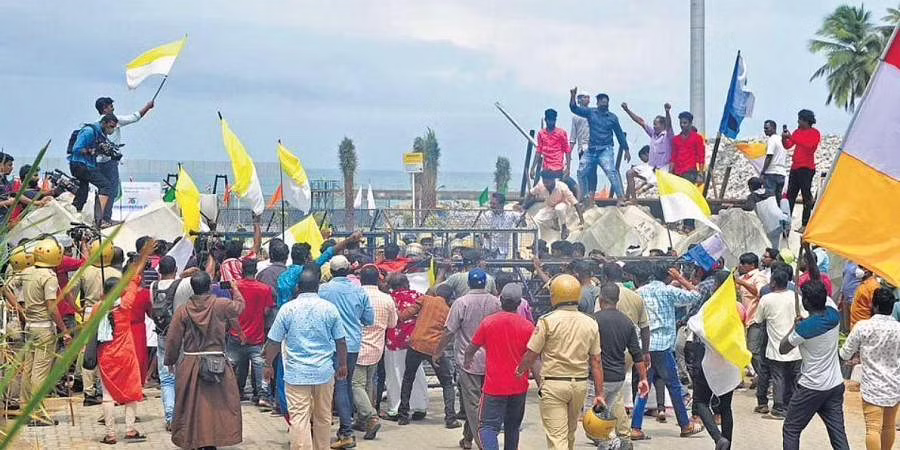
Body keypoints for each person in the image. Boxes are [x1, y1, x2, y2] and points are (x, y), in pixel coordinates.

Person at [515, 274, 604, 450]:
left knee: (557, 438)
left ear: (554, 295)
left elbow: (532, 353)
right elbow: (596, 361)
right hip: (579, 385)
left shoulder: (547, 321)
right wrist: (600, 393)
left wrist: (520, 370)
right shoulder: (590, 323)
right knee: (569, 433)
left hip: (554, 385)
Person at [264, 266, 347, 450]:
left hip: (296, 373)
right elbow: (341, 341)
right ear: (317, 287)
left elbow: (273, 342)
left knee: (299, 418)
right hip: (324, 372)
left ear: (298, 288)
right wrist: (342, 364)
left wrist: (269, 365)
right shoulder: (329, 309)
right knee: (323, 417)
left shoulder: (287, 309)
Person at [164, 271, 244, 449]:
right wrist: (235, 289)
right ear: (210, 286)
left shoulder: (183, 310)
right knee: (218, 405)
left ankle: (195, 438)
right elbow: (239, 307)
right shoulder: (221, 305)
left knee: (191, 405)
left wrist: (170, 361)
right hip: (218, 364)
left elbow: (173, 339)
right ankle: (213, 437)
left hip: (191, 364)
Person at [630, 263, 703, 440]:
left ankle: (635, 427)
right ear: (669, 275)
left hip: (645, 346)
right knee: (674, 386)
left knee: (643, 387)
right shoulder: (668, 291)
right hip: (663, 346)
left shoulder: (640, 292)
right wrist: (680, 278)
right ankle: (685, 425)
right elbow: (696, 296)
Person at [434, 269, 501, 450]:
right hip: (491, 360)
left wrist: (438, 351)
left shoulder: (461, 302)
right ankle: (467, 438)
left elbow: (449, 331)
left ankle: (483, 443)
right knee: (484, 402)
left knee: (472, 404)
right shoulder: (496, 302)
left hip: (467, 360)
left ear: (469, 283)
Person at [778, 279, 849, 450]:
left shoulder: (803, 329)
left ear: (805, 302)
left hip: (811, 387)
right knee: (838, 433)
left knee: (791, 429)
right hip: (834, 384)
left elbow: (782, 348)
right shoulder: (834, 314)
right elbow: (816, 275)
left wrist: (794, 327)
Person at [463, 283, 534, 450]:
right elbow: (533, 358)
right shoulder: (528, 327)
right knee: (512, 427)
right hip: (519, 386)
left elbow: (471, 348)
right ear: (519, 303)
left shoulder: (489, 323)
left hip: (494, 387)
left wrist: (467, 361)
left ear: (500, 300)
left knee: (487, 426)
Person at [10, 238, 71, 426]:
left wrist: (19, 308)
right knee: (40, 372)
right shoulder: (49, 277)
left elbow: (6, 286)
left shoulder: (27, 272)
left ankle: (25, 408)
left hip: (29, 328)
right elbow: (52, 307)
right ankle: (38, 413)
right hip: (44, 328)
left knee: (28, 370)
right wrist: (64, 330)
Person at [318, 255, 375, 448]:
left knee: (340, 387)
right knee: (347, 385)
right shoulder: (359, 291)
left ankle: (347, 432)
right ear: (349, 269)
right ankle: (348, 425)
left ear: (331, 271)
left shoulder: (323, 290)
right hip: (352, 344)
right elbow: (369, 319)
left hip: (331, 345)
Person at [840, 288, 900, 449]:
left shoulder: (863, 326)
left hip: (872, 386)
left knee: (873, 427)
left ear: (874, 305)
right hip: (894, 385)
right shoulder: (899, 329)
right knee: (888, 426)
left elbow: (845, 353)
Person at [593, 283, 650, 448]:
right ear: (617, 300)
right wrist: (643, 378)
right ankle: (619, 439)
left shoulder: (594, 320)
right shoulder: (627, 322)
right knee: (610, 408)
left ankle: (614, 441)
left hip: (598, 377)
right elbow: (636, 353)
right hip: (618, 376)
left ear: (601, 299)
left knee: (595, 419)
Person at [66, 239, 122, 406]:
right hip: (111, 312)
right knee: (108, 350)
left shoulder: (84, 271)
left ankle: (89, 391)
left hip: (90, 311)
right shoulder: (117, 273)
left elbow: (68, 292)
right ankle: (106, 386)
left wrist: (77, 308)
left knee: (87, 353)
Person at [683, 270, 734, 450]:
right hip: (729, 360)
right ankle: (726, 444)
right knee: (726, 405)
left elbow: (694, 325)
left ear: (716, 286)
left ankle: (718, 438)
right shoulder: (736, 306)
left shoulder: (710, 306)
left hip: (707, 357)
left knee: (701, 401)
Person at [398, 283, 460, 429]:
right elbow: (449, 332)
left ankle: (403, 415)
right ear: (449, 297)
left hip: (416, 344)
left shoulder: (425, 299)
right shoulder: (449, 310)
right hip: (434, 349)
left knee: (408, 378)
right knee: (446, 382)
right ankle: (450, 418)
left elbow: (403, 316)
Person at [95, 277, 146, 444]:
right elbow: (133, 284)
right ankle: (130, 429)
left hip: (105, 356)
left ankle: (110, 434)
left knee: (107, 395)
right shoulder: (125, 305)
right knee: (131, 391)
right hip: (126, 355)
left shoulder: (97, 309)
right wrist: (135, 269)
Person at [150, 255, 196, 430]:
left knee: (167, 379)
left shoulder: (153, 286)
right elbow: (202, 278)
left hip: (162, 335)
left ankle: (170, 417)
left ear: (159, 271)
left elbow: (151, 310)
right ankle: (184, 414)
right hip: (182, 336)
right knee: (182, 375)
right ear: (175, 269)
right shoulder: (183, 284)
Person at [93, 97, 154, 223]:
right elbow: (135, 117)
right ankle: (105, 219)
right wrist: (148, 106)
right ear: (105, 108)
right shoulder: (114, 120)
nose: (113, 108)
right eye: (110, 106)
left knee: (103, 189)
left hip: (98, 162)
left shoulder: (95, 124)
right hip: (109, 161)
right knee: (112, 190)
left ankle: (101, 218)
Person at [354, 265, 398, 440]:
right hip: (376, 347)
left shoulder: (355, 295)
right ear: (378, 279)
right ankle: (361, 419)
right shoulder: (386, 299)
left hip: (357, 346)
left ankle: (371, 417)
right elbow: (392, 324)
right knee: (368, 385)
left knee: (355, 384)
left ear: (361, 279)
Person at [755, 268, 804, 420]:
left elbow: (758, 320)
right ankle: (794, 407)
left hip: (776, 346)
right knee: (794, 377)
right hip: (795, 344)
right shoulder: (796, 296)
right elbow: (804, 315)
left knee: (778, 377)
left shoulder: (766, 299)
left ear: (773, 282)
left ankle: (778, 407)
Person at [227, 259, 275, 407]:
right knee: (259, 366)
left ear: (242, 270)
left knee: (232, 365)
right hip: (256, 336)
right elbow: (267, 311)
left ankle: (233, 393)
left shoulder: (235, 287)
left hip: (236, 334)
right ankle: (263, 396)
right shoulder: (265, 289)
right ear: (255, 272)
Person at [569, 87, 629, 203]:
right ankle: (585, 197)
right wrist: (572, 96)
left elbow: (619, 134)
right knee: (581, 172)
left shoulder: (612, 117)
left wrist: (626, 149)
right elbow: (574, 108)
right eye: (601, 100)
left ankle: (621, 198)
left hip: (605, 149)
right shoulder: (591, 112)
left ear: (608, 103)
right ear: (597, 103)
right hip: (591, 149)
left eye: (605, 101)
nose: (603, 102)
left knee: (611, 172)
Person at [383, 274, 430, 422]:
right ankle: (420, 406)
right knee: (417, 374)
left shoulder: (389, 299)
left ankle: (396, 408)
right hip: (415, 341)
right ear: (407, 283)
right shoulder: (418, 296)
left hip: (394, 341)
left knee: (395, 374)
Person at [68, 114, 119, 226]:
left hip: (86, 165)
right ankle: (99, 219)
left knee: (83, 191)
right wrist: (91, 151)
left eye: (114, 127)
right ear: (104, 123)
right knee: (106, 186)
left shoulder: (100, 134)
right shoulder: (89, 131)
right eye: (111, 126)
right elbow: (76, 148)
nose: (112, 130)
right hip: (80, 165)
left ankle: (75, 215)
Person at [782, 109, 821, 233]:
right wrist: (784, 138)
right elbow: (788, 146)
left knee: (806, 196)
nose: (798, 121)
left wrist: (792, 137)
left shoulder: (815, 133)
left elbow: (809, 146)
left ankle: (805, 223)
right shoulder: (797, 132)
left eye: (800, 119)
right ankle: (786, 222)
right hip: (795, 167)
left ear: (805, 120)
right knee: (790, 196)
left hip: (807, 168)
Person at [521, 172, 584, 239]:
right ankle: (538, 241)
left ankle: (564, 228)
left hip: (564, 206)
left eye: (547, 182)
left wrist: (581, 219)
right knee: (536, 221)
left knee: (559, 208)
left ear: (553, 180)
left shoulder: (562, 186)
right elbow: (530, 193)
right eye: (544, 182)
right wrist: (523, 206)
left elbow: (575, 203)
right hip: (550, 207)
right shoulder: (541, 185)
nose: (546, 184)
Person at [621, 101, 674, 172]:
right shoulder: (653, 134)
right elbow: (640, 122)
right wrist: (627, 110)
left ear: (663, 125)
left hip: (663, 169)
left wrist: (667, 112)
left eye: (656, 124)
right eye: (653, 124)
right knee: (630, 173)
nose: (654, 126)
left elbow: (669, 125)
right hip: (652, 168)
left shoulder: (668, 136)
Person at [736, 177, 788, 248]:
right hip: (782, 219)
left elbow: (749, 207)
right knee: (777, 241)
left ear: (750, 187)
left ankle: (775, 256)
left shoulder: (753, 196)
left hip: (772, 225)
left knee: (773, 247)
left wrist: (735, 206)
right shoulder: (770, 191)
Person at [531, 108, 572, 180]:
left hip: (559, 169)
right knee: (539, 189)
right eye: (549, 120)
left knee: (575, 189)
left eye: (553, 120)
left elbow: (567, 151)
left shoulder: (561, 133)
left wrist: (568, 168)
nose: (551, 122)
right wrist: (532, 168)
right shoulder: (541, 134)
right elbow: (538, 152)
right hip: (546, 170)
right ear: (546, 120)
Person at [671, 111, 705, 183]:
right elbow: (673, 157)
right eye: (681, 123)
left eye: (685, 123)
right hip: (677, 173)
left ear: (690, 123)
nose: (682, 125)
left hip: (690, 173)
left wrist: (701, 174)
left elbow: (701, 157)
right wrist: (670, 172)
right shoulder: (676, 139)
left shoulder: (697, 138)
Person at [485, 192, 521, 259]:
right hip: (489, 248)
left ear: (501, 204)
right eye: (491, 203)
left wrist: (522, 214)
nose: (491, 206)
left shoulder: (510, 215)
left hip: (502, 249)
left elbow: (522, 223)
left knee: (498, 268)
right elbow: (484, 233)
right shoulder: (487, 215)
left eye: (494, 204)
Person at [761, 120, 790, 199]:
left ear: (773, 128)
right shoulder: (782, 139)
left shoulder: (772, 139)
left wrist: (763, 171)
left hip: (771, 173)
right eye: (764, 128)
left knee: (770, 198)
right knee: (778, 197)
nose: (765, 130)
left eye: (767, 128)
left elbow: (769, 156)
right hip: (781, 173)